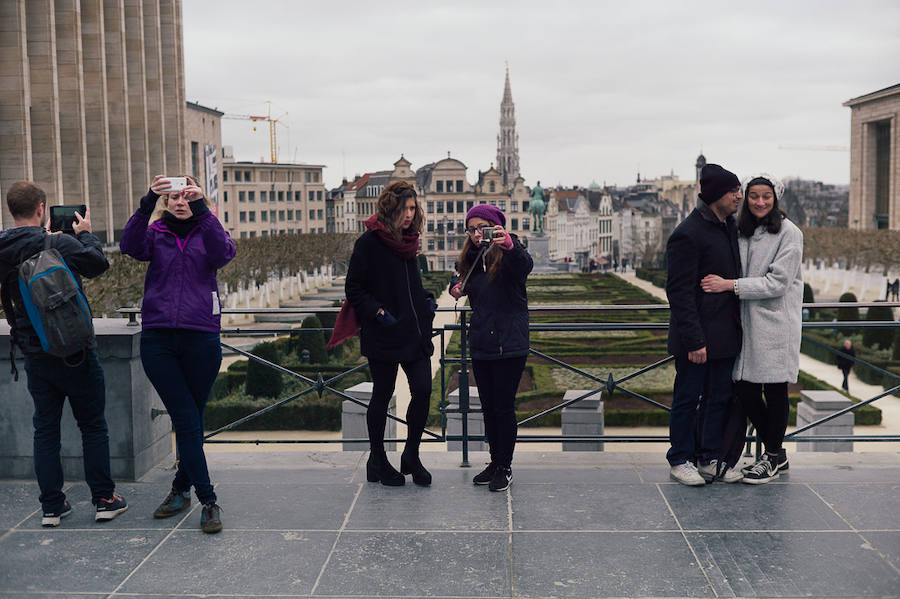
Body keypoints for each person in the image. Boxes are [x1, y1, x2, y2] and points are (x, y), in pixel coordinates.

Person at [0, 181, 127, 526]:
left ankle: (52, 507)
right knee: (93, 426)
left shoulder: (3, 248)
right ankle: (104, 499)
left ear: (11, 210)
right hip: (77, 351)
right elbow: (97, 264)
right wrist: (85, 234)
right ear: (42, 208)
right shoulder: (58, 242)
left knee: (45, 429)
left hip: (35, 351)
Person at [120, 174, 235, 533]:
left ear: (197, 199)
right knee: (186, 419)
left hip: (201, 338)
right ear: (166, 203)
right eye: (174, 197)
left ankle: (180, 490)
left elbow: (224, 253)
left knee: (191, 420)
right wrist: (146, 202)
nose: (180, 201)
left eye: (188, 195)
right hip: (159, 341)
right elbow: (129, 245)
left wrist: (203, 210)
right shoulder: (154, 233)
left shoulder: (209, 230)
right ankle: (209, 500)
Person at [701, 174, 803, 484]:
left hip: (775, 325)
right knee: (746, 390)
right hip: (745, 326)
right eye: (754, 196)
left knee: (775, 391)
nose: (760, 202)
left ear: (776, 199)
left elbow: (777, 283)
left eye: (766, 196)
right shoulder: (740, 230)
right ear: (745, 198)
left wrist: (730, 286)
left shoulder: (790, 233)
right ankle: (777, 453)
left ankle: (770, 457)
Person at [344, 181, 436, 486]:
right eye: (404, 208)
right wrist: (379, 312)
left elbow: (410, 286)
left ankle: (411, 455)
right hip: (384, 332)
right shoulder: (369, 243)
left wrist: (426, 302)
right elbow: (354, 288)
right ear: (390, 208)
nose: (409, 214)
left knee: (423, 390)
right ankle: (378, 460)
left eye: (412, 208)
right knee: (382, 396)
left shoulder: (410, 241)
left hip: (413, 333)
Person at [664, 164, 744, 486]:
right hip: (696, 339)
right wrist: (695, 341)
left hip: (723, 334)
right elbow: (679, 293)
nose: (739, 196)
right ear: (716, 196)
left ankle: (708, 456)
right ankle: (680, 459)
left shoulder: (729, 226)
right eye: (733, 191)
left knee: (717, 398)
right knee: (688, 399)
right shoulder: (688, 233)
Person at [450, 204, 533, 491]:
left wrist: (509, 245)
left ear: (496, 227)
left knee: (503, 407)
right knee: (488, 408)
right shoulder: (471, 257)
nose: (476, 235)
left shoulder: (511, 251)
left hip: (510, 343)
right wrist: (455, 287)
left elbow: (525, 267)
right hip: (483, 342)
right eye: (471, 229)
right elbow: (458, 278)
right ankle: (495, 462)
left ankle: (505, 467)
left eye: (482, 228)